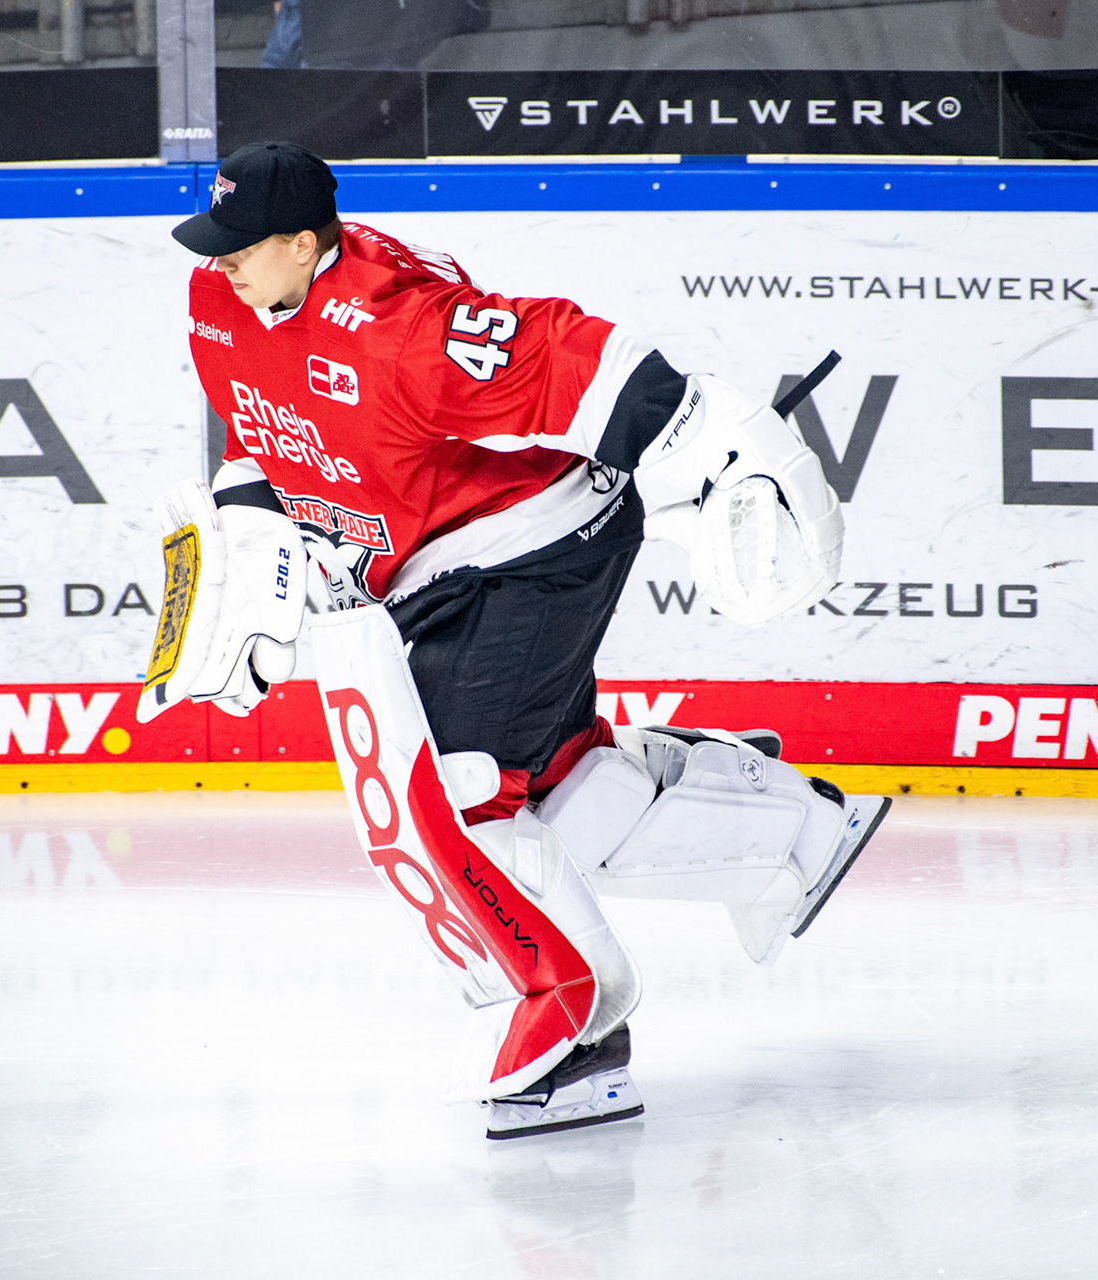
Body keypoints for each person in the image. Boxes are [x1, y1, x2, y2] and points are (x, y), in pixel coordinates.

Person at [153, 141, 890, 1138]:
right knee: (548, 783)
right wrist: (251, 550)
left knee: (455, 792)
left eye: (242, 246)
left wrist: (727, 447)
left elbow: (587, 358)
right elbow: (261, 435)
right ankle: (791, 831)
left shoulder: (403, 327)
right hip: (428, 566)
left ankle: (579, 1014)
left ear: (300, 242)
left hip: (539, 544)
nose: (220, 262)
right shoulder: (218, 302)